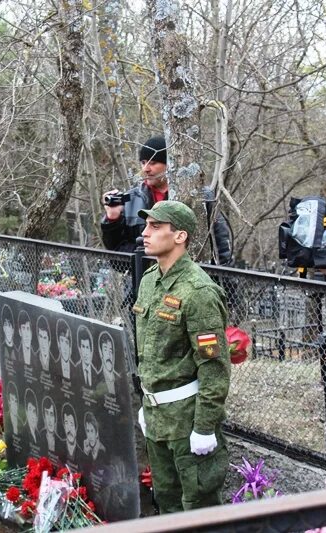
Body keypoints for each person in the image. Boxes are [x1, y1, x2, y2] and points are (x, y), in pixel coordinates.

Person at [134, 200, 231, 513]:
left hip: (187, 420)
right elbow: (149, 355)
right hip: (157, 416)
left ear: (180, 236)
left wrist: (204, 427)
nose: (145, 233)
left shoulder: (199, 291)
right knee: (167, 504)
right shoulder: (149, 281)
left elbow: (214, 368)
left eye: (155, 226)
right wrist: (146, 404)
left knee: (199, 506)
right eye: (147, 225)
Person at [101, 136, 233, 265]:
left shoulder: (199, 196)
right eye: (143, 162)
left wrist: (220, 281)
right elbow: (116, 257)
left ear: (169, 165)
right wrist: (112, 219)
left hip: (191, 281)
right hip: (142, 282)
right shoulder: (131, 199)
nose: (146, 168)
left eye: (153, 163)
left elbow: (221, 246)